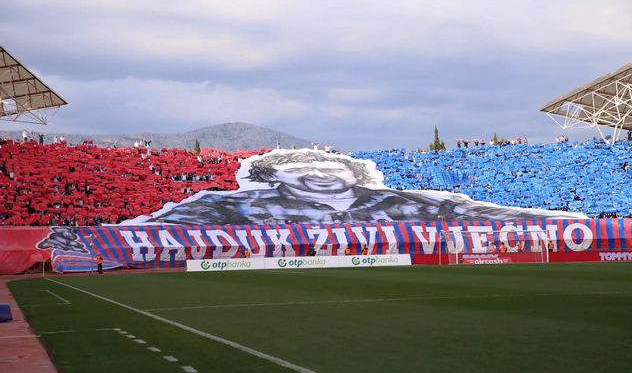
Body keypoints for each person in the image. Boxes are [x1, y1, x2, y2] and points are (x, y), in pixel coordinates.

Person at [146, 150, 586, 225]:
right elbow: (166, 221)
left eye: (330, 165)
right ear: (275, 176)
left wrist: (561, 217)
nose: (319, 172)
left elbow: (496, 215)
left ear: (356, 174)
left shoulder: (409, 203)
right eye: (300, 166)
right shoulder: (228, 210)